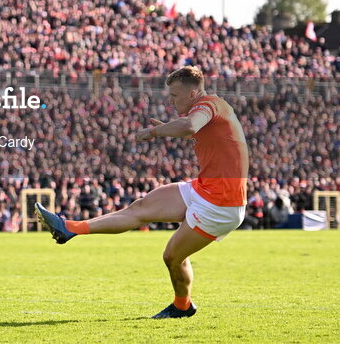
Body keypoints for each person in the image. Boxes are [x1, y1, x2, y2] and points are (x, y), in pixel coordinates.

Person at [35, 65, 249, 319]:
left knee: (172, 256)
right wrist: (171, 128)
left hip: (222, 205)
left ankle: (182, 307)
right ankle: (69, 227)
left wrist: (156, 131)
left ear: (192, 94)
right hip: (203, 189)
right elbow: (200, 132)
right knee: (139, 208)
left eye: (174, 96)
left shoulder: (210, 104)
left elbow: (191, 125)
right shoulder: (209, 111)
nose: (170, 101)